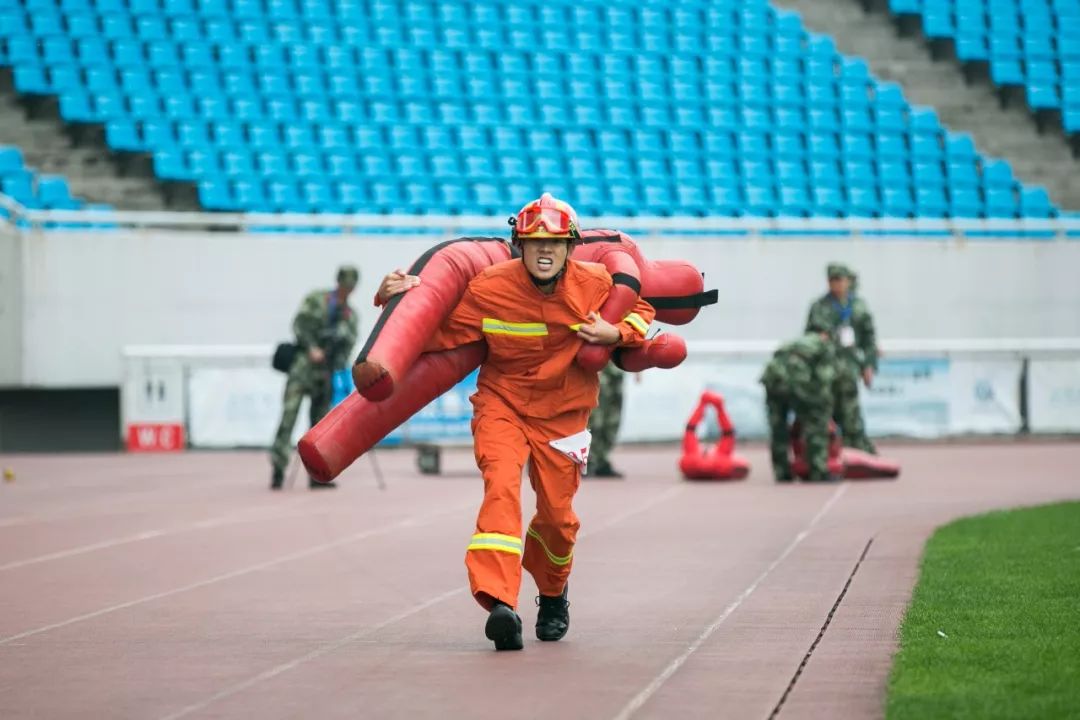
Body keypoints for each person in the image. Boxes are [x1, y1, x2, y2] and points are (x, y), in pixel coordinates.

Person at [377, 193, 655, 651]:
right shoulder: (489, 287)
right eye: (533, 242)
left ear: (570, 248)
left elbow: (643, 312)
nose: (544, 251)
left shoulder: (596, 283)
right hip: (502, 405)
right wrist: (391, 299)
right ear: (518, 246)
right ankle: (500, 602)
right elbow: (433, 329)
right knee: (501, 488)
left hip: (565, 414)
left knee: (558, 519)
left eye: (554, 243)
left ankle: (552, 594)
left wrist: (616, 332)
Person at [270, 266, 360, 490]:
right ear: (338, 282)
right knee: (288, 418)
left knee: (320, 427)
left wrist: (337, 358)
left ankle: (317, 474)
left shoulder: (349, 315)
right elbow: (299, 325)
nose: (346, 290)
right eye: (344, 285)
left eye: (350, 287)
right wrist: (311, 348)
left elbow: (348, 346)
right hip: (303, 369)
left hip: (325, 373)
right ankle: (278, 468)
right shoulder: (316, 300)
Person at [805, 263, 879, 455]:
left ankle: (858, 452)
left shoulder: (858, 307)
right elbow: (809, 339)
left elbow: (869, 339)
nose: (836, 284)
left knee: (851, 414)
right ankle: (829, 456)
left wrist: (869, 365)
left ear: (847, 281)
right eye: (832, 280)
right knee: (825, 415)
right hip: (826, 370)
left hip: (849, 369)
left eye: (839, 279)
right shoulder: (819, 307)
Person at [760, 328, 841, 483]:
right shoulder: (824, 345)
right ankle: (818, 471)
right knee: (816, 424)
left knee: (778, 427)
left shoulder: (797, 342)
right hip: (796, 378)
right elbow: (825, 377)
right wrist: (824, 408)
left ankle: (782, 472)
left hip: (773, 378)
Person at [586, 363, 625, 478]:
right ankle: (588, 460)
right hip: (600, 367)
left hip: (617, 368)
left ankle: (602, 461)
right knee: (595, 418)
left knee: (612, 418)